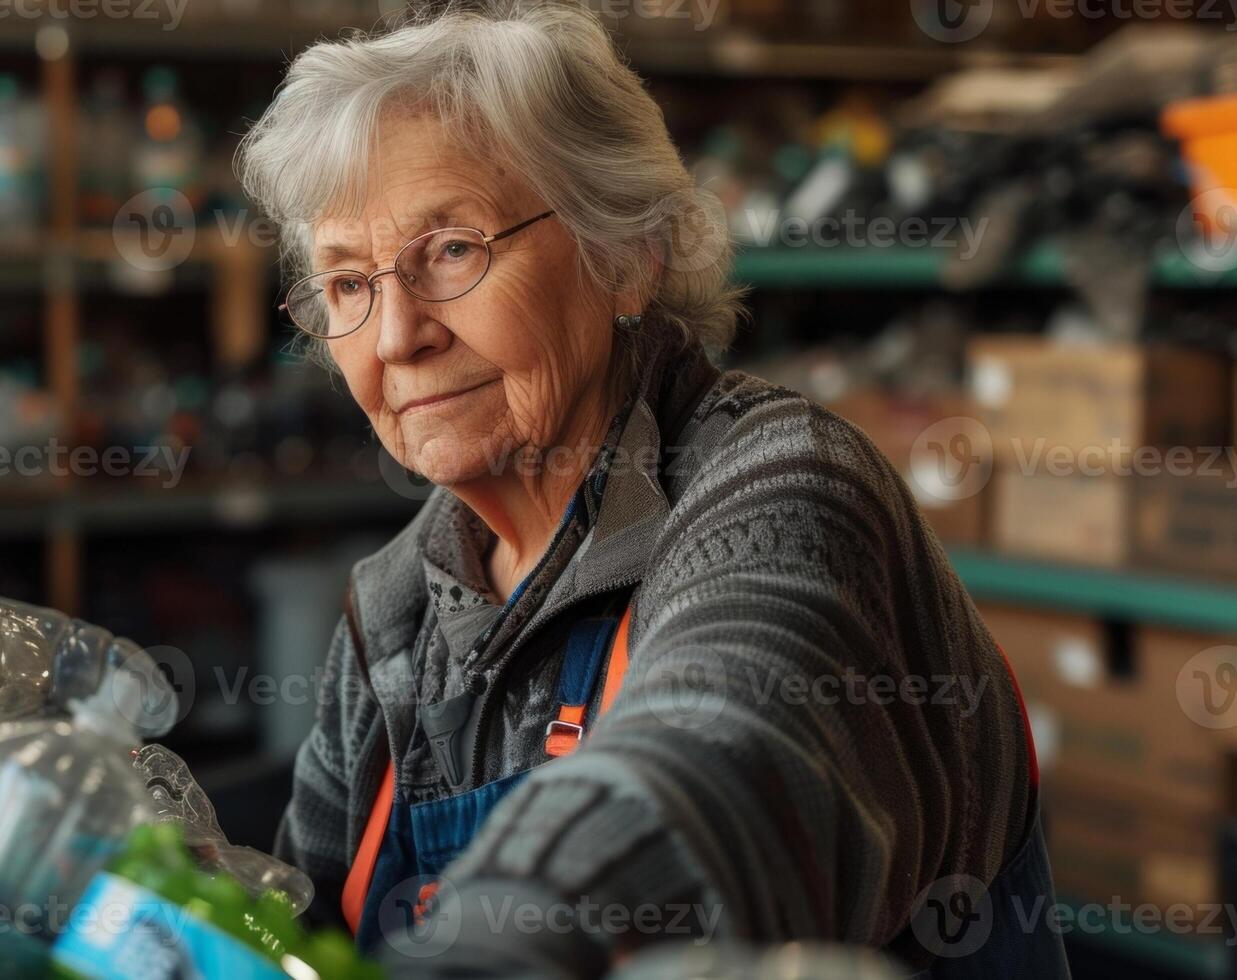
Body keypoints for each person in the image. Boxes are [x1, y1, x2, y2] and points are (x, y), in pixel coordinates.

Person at [236, 1, 1066, 976]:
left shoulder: (786, 492)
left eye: (452, 251)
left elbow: (709, 770)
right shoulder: (397, 608)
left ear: (626, 254)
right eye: (347, 285)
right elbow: (299, 934)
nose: (394, 336)